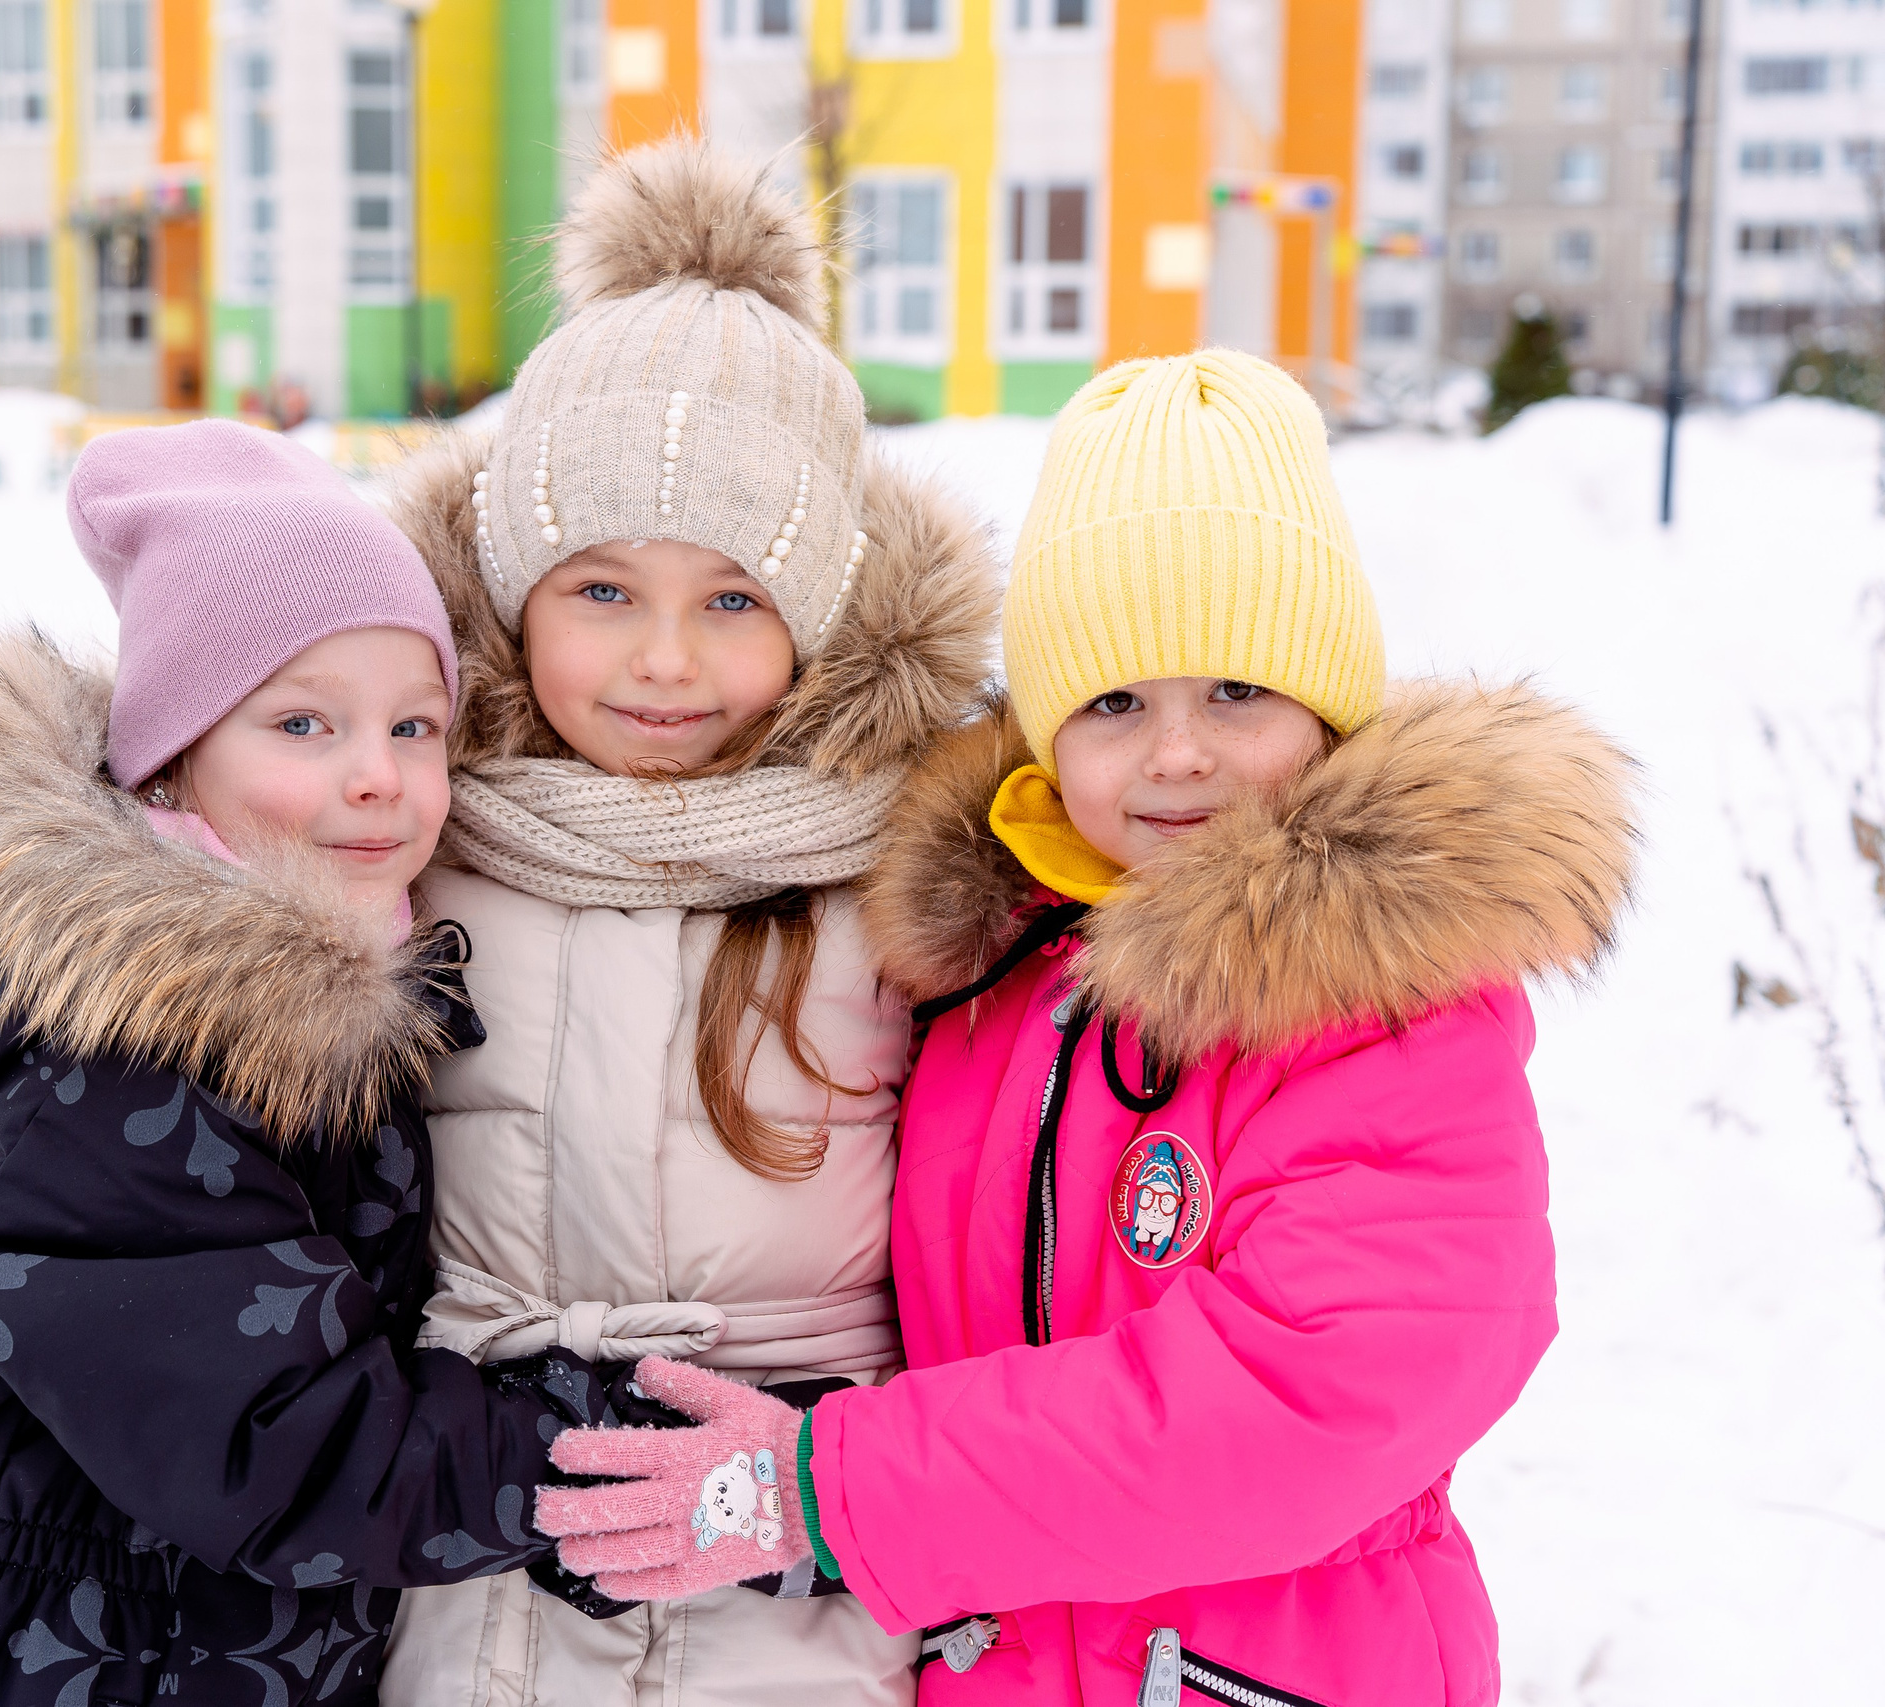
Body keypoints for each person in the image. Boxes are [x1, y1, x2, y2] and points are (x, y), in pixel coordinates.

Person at [533, 349, 1642, 1707]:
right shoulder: (995, 977)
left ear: (1331, 701)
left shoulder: (1393, 1003)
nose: (1177, 753)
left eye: (1236, 688)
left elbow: (1308, 1398)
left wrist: (833, 1484)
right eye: (1114, 702)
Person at [0, 420, 642, 1707]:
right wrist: (637, 1448)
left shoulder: (328, 1004)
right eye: (303, 724)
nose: (379, 778)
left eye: (415, 727)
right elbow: (299, 1455)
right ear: (174, 757)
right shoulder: (128, 1066)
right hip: (43, 1660)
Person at [373, 139, 1003, 1707]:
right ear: (514, 589)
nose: (664, 659)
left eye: (733, 598)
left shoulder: (918, 854)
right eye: (600, 589)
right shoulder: (416, 824)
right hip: (470, 1568)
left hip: (794, 1583)